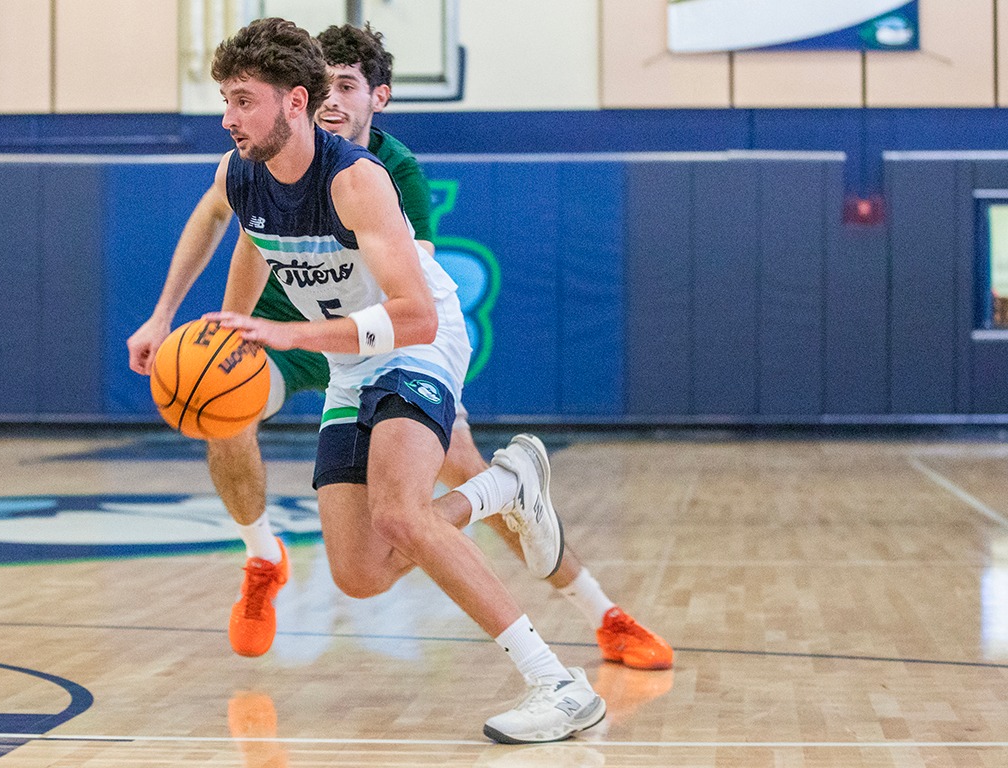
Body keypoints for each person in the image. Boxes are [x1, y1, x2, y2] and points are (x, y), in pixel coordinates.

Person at [127, 22, 673, 673]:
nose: (330, 98)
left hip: (381, 335)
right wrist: (200, 323)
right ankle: (261, 557)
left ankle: (598, 610)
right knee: (221, 408)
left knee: (446, 478)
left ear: (374, 97)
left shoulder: (385, 177)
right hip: (294, 327)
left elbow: (410, 310)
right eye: (320, 81)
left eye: (345, 85)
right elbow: (237, 222)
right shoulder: (257, 163)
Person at [200, 16, 604, 743]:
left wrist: (288, 333)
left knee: (402, 511)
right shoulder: (247, 173)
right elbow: (252, 241)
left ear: (295, 101)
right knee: (361, 571)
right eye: (225, 101)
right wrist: (226, 332)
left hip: (417, 339)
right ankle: (504, 486)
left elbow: (413, 316)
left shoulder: (361, 178)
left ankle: (558, 684)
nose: (228, 118)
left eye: (242, 100)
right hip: (350, 357)